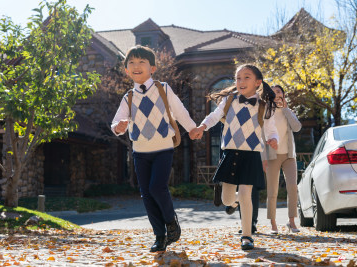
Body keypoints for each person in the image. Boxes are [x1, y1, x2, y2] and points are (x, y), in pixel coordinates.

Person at [111, 45, 196, 253]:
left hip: (163, 149)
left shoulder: (163, 89)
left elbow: (179, 110)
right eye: (131, 63)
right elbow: (115, 123)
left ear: (153, 68)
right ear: (126, 70)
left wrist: (192, 128)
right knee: (147, 195)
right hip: (140, 152)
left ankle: (171, 222)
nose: (136, 66)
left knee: (157, 188)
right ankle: (160, 236)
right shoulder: (128, 97)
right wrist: (118, 127)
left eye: (142, 62)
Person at [190, 64, 279, 250]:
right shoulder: (229, 100)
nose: (241, 81)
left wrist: (273, 139)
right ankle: (235, 202)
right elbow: (214, 116)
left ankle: (247, 236)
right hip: (230, 153)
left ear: (257, 82)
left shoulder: (264, 106)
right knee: (227, 200)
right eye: (238, 78)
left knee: (247, 194)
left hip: (251, 154)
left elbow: (271, 129)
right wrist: (201, 127)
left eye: (246, 77)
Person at [262, 85, 302, 234]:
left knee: (293, 187)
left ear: (283, 95)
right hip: (272, 156)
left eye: (279, 92)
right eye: (273, 92)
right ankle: (273, 224)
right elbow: (262, 136)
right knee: (272, 191)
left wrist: (285, 109)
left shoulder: (288, 112)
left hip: (289, 156)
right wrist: (263, 157)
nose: (276, 94)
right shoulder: (266, 112)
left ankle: (291, 222)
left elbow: (297, 127)